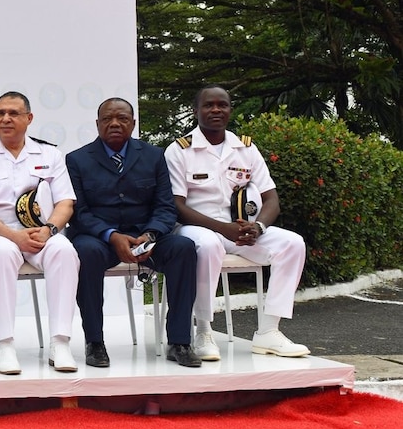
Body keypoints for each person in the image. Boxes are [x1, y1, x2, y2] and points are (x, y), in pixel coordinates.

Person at [165, 86, 309, 358]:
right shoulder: (179, 150)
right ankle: (204, 330)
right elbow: (176, 206)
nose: (216, 110)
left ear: (231, 110)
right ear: (196, 111)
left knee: (293, 243)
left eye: (223, 105)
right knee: (207, 246)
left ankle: (268, 331)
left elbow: (271, 199)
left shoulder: (245, 147)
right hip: (198, 228)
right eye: (209, 105)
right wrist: (223, 229)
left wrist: (258, 228)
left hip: (241, 230)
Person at [66, 97, 201, 367]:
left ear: (133, 123)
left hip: (145, 237)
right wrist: (111, 235)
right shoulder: (77, 160)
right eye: (107, 119)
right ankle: (95, 342)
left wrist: (151, 235)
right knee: (86, 253)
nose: (114, 123)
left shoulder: (153, 156)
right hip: (99, 238)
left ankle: (179, 341)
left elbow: (165, 206)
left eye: (122, 119)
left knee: (183, 248)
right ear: (97, 124)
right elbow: (79, 213)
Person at [0, 91, 81, 374]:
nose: (5, 119)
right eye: (0, 113)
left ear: (29, 118)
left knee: (64, 250)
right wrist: (13, 236)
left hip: (40, 232)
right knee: (3, 254)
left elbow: (66, 202)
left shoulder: (49, 153)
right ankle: (4, 343)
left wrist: (50, 230)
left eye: (13, 113)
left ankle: (60, 342)